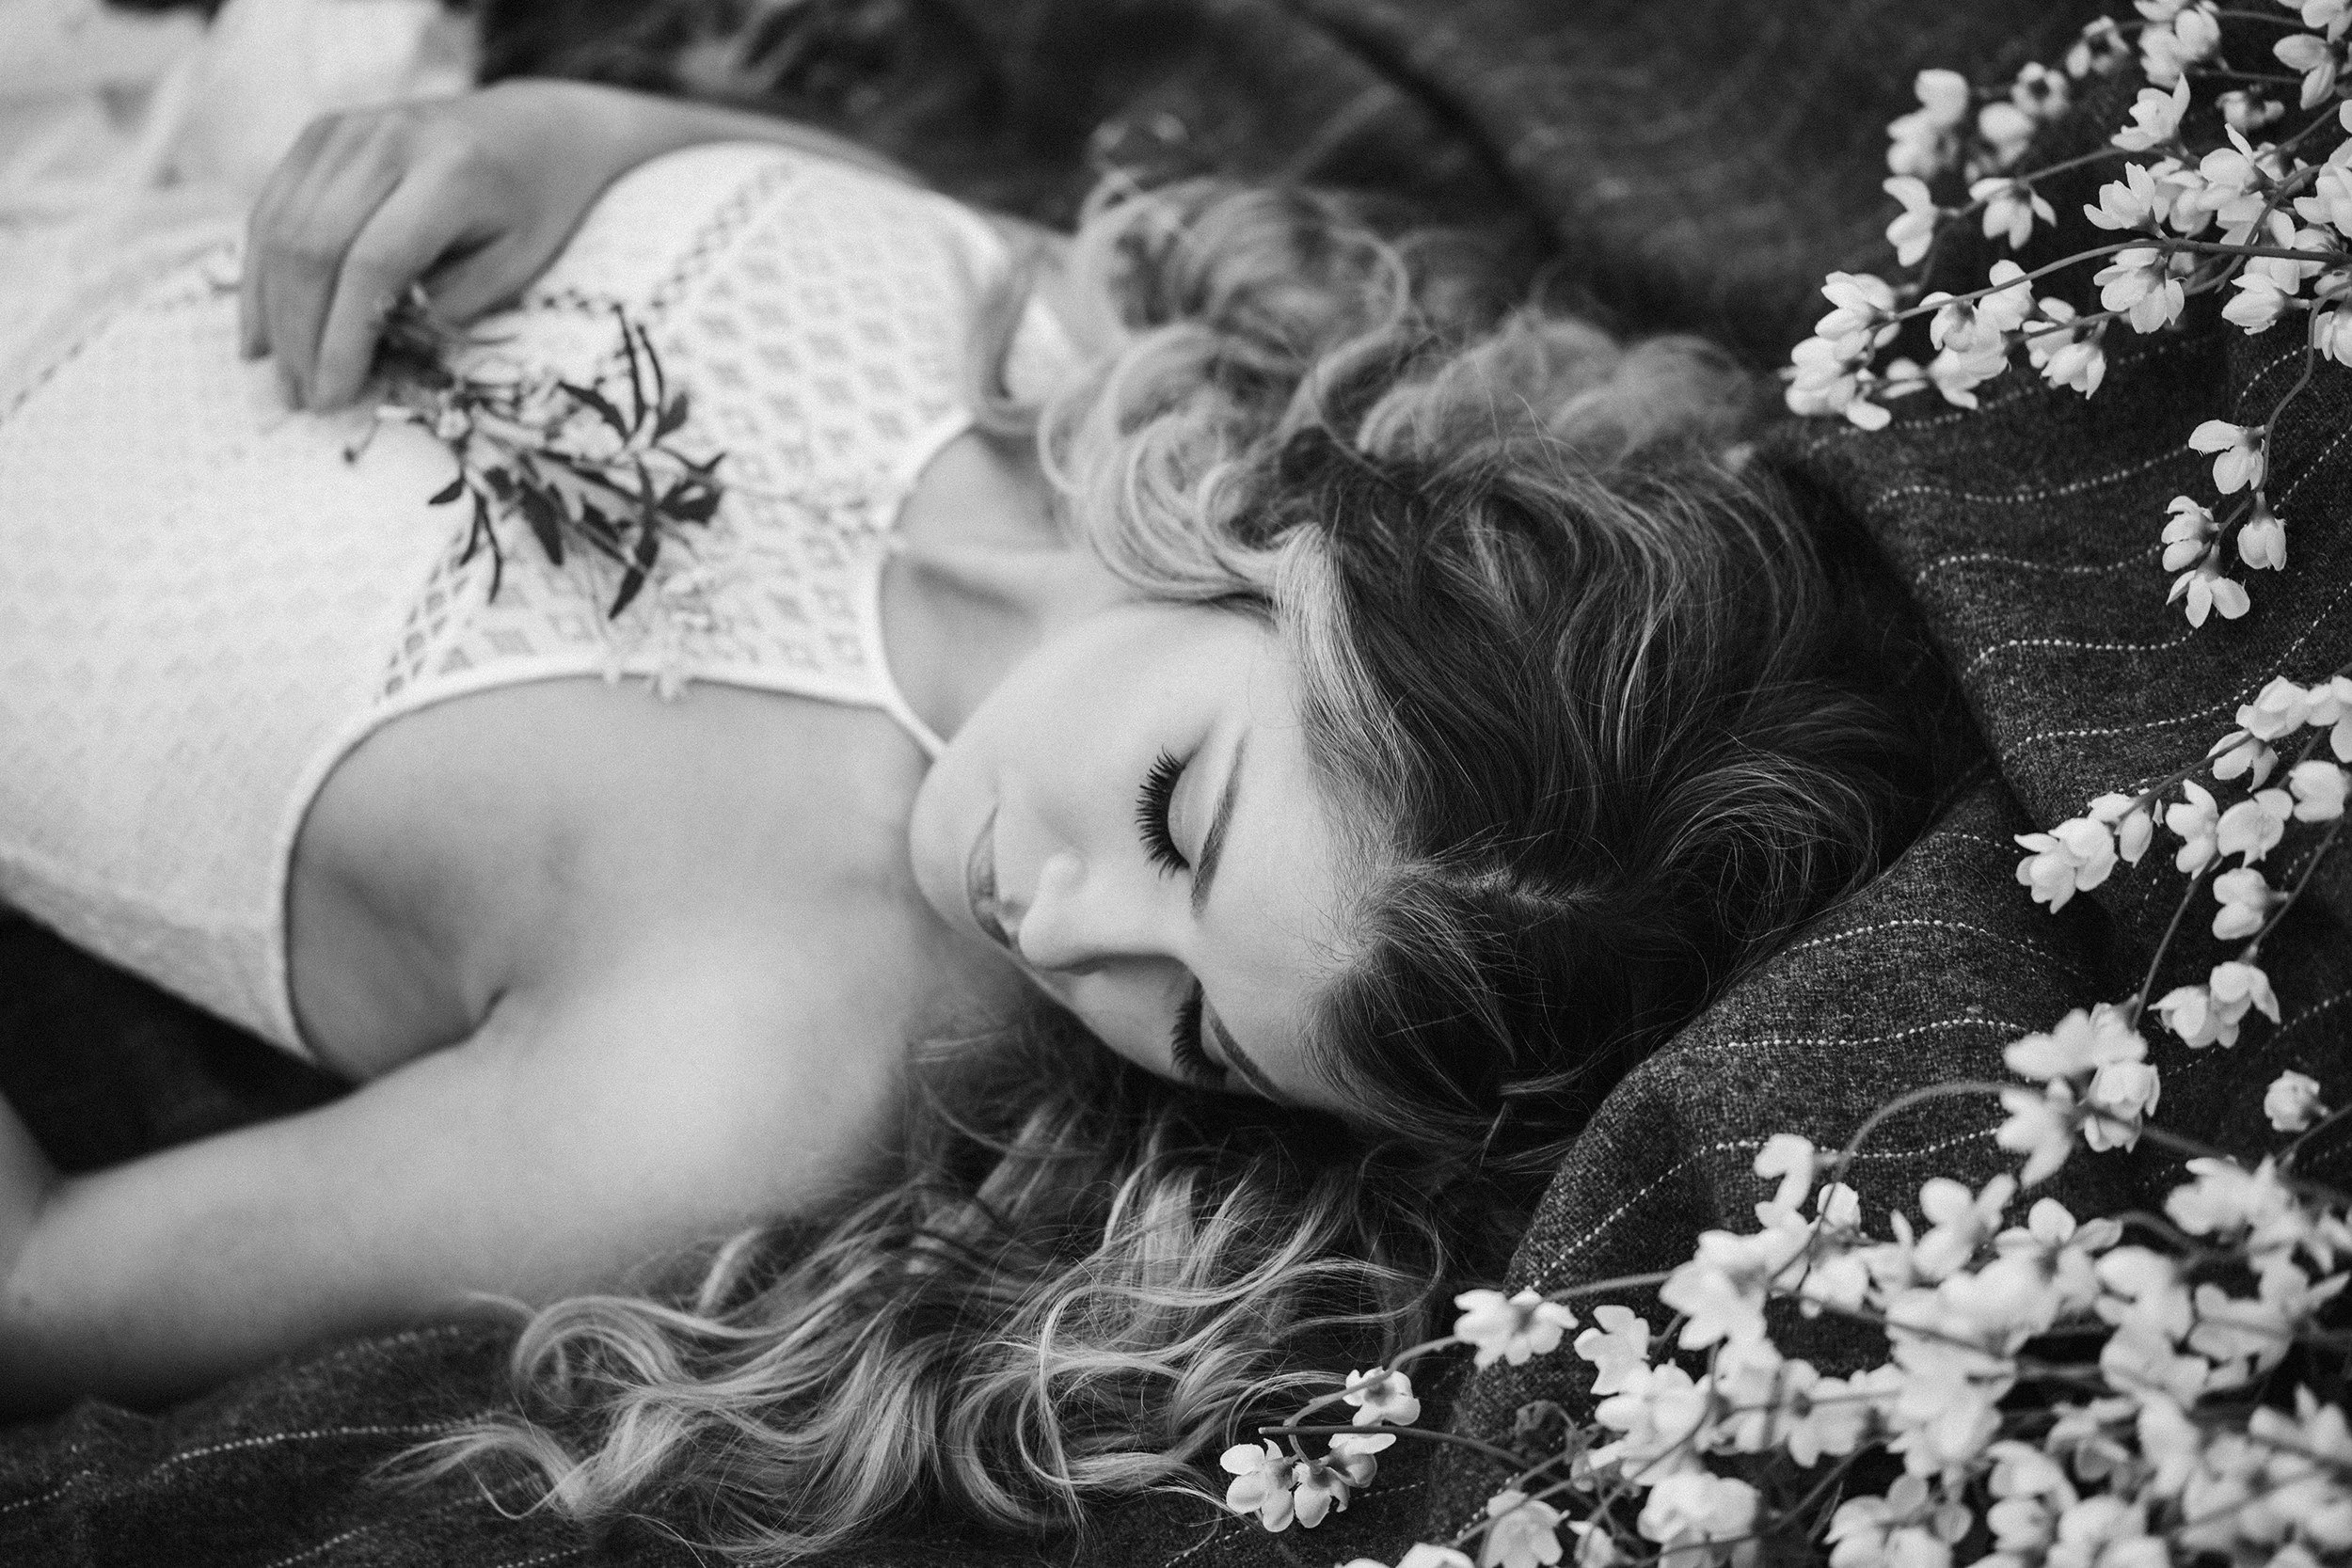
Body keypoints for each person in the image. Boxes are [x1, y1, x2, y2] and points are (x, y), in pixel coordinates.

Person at [0, 77, 1939, 1559]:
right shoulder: (1051, 334)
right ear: (1296, 556)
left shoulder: (746, 1080)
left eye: (1197, 1027)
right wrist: (533, 138)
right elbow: (648, 159)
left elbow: (39, 1278)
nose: (1068, 935)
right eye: (1179, 817)